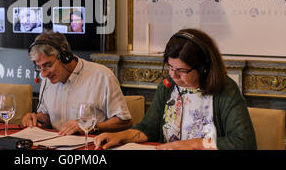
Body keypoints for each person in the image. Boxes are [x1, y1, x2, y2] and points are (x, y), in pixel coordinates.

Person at [94, 28, 257, 150]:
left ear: (203, 67)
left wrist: (193, 144)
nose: (173, 75)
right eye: (170, 67)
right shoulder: (168, 86)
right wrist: (120, 136)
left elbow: (243, 142)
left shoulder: (225, 89)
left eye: (182, 71)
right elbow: (147, 129)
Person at [21, 31, 132, 135]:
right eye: (39, 67)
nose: (43, 74)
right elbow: (46, 117)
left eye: (48, 65)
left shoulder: (102, 76)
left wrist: (91, 127)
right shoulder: (47, 80)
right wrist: (36, 119)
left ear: (65, 56)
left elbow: (124, 121)